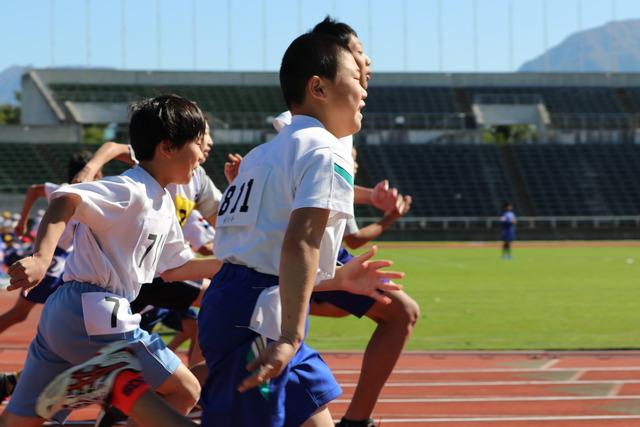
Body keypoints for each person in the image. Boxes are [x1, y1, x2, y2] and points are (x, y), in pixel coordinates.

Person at [196, 31, 404, 427]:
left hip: (243, 304)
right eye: (355, 79)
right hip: (264, 321)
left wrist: (338, 277)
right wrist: (289, 337)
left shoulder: (261, 154)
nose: (364, 89)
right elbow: (300, 242)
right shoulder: (326, 152)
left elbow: (258, 253)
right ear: (318, 87)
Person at [2, 94, 222, 427]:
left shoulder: (162, 201)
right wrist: (41, 257)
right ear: (167, 147)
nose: (202, 157)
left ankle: (86, 384)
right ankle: (98, 383)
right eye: (197, 144)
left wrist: (237, 262)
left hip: (66, 314)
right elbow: (66, 199)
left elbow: (175, 268)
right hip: (96, 311)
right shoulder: (132, 188)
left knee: (17, 422)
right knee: (184, 391)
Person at [0, 152, 101, 337]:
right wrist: (21, 222)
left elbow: (34, 190)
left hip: (63, 260)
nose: (101, 178)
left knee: (67, 312)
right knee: (23, 313)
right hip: (53, 260)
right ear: (91, 173)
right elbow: (34, 189)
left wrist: (22, 222)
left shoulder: (66, 190)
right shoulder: (67, 191)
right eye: (99, 172)